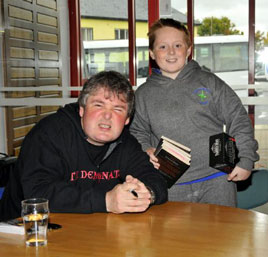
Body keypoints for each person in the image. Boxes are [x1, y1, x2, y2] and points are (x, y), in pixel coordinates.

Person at [0, 71, 168, 221]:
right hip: (23, 231)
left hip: (89, 230)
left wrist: (146, 194)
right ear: (82, 109)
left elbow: (155, 179)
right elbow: (38, 193)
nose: (107, 116)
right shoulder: (48, 134)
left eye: (118, 109)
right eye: (98, 105)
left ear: (127, 120)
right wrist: (106, 200)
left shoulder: (126, 142)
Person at [130, 18, 259, 207]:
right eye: (163, 47)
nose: (171, 52)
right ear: (151, 53)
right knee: (177, 238)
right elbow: (136, 132)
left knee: (223, 235)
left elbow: (237, 118)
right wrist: (145, 149)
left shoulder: (210, 82)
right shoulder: (142, 94)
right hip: (170, 186)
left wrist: (246, 158)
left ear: (188, 50)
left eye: (177, 45)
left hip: (218, 180)